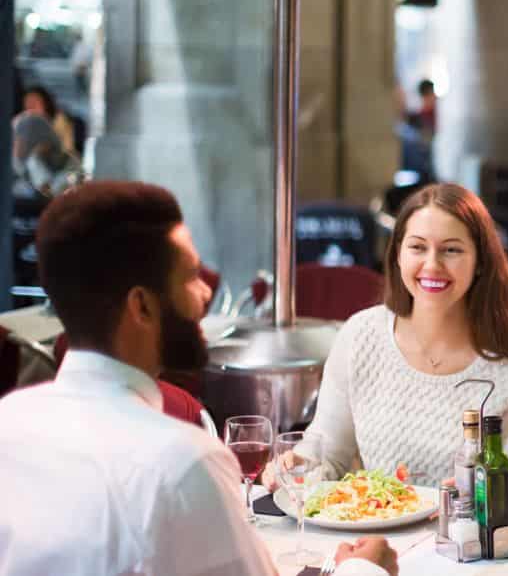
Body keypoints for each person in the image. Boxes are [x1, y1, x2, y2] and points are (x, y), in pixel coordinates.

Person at [0, 181, 397, 576]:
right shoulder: (182, 464)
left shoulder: (10, 420)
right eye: (190, 275)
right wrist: (361, 569)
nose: (206, 292)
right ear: (142, 306)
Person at [265, 183, 508, 509]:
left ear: (480, 261)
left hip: (468, 551)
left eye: (451, 250)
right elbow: (327, 455)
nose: (432, 265)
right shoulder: (360, 336)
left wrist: (478, 498)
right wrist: (296, 466)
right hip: (374, 543)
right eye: (418, 247)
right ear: (397, 254)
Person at [11, 112, 82, 198]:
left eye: (18, 141)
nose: (14, 148)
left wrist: (34, 161)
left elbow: (50, 198)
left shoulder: (72, 169)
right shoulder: (19, 169)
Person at [21, 84, 78, 156]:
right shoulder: (23, 125)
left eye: (34, 103)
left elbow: (66, 151)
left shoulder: (60, 121)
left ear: (46, 104)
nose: (31, 108)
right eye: (27, 104)